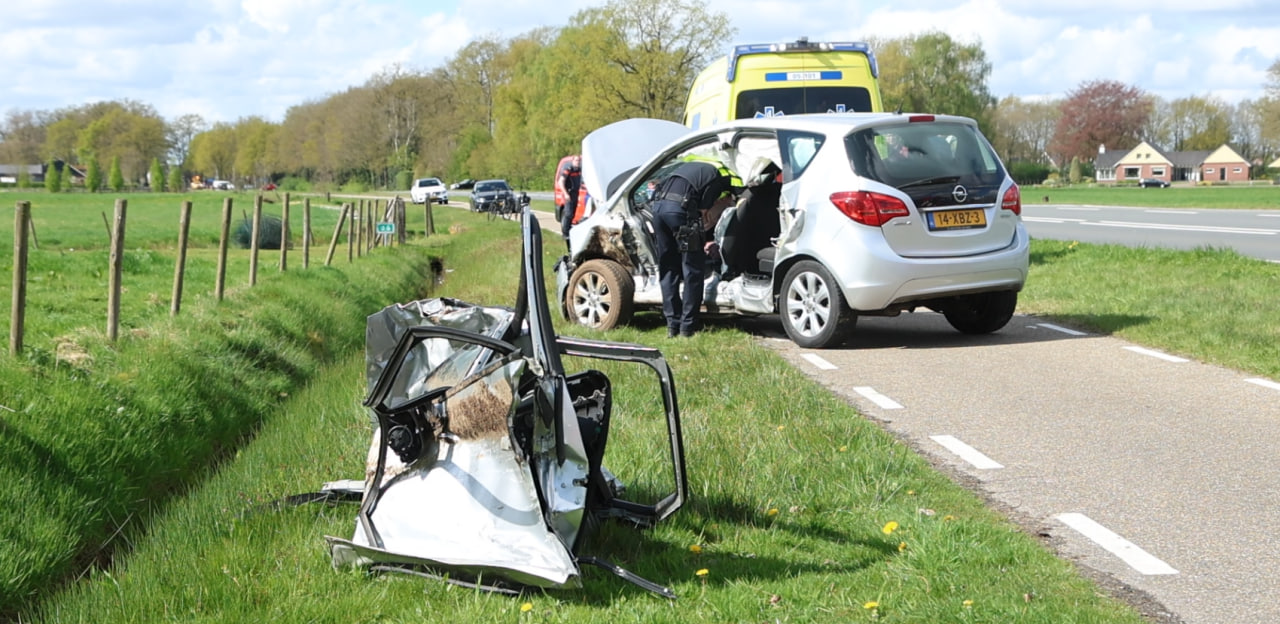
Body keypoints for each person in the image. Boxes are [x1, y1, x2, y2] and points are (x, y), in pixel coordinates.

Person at [650, 159, 739, 338]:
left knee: (668, 268)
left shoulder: (687, 169)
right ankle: (687, 327)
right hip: (680, 213)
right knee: (692, 268)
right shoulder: (717, 178)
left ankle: (671, 325)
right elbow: (704, 211)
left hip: (658, 211)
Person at [558, 155, 583, 243]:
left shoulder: (579, 170)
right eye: (576, 160)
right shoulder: (568, 169)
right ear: (572, 161)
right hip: (568, 193)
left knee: (572, 214)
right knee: (568, 214)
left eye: (579, 160)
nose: (578, 162)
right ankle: (565, 233)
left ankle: (568, 231)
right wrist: (565, 193)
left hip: (575, 193)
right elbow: (561, 181)